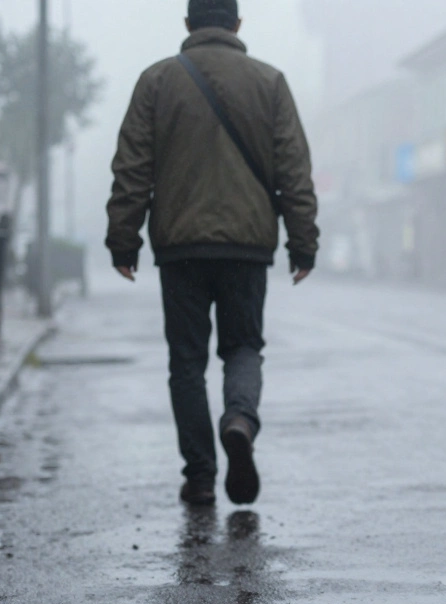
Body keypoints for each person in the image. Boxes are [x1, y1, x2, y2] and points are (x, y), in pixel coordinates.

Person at [105, 0, 319, 507]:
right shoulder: (269, 82)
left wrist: (123, 239)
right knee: (243, 347)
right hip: (247, 246)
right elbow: (294, 170)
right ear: (237, 25)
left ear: (188, 26)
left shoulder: (156, 81)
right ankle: (240, 419)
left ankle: (200, 477)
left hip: (181, 248)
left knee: (186, 362)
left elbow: (132, 167)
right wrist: (303, 242)